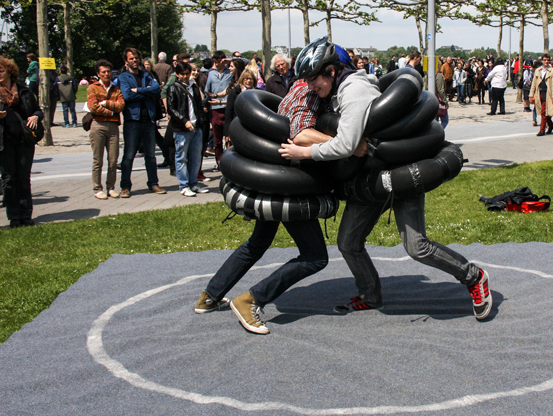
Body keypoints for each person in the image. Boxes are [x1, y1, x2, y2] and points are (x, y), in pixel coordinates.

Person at [279, 37, 492, 320]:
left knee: (417, 247)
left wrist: (303, 152)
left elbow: (345, 145)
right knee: (349, 243)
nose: (310, 85)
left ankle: (473, 276)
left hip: (400, 171)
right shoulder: (334, 91)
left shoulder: (353, 90)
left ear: (331, 71)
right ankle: (370, 294)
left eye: (313, 78)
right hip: (369, 178)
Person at [194, 78, 329, 335]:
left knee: (258, 242)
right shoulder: (311, 94)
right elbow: (299, 132)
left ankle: (210, 295)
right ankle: (250, 300)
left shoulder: (297, 88)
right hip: (291, 184)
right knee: (315, 257)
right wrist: (341, 140)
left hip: (274, 178)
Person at [0, 56, 43, 227]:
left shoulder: (24, 92)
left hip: (24, 141)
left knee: (23, 178)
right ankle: (14, 216)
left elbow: (38, 110)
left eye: (1, 71)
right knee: (9, 179)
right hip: (2, 142)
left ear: (10, 71)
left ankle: (26, 215)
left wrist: (36, 117)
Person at [114, 47, 165, 197]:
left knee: (150, 155)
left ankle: (153, 184)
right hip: (132, 120)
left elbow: (156, 89)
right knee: (129, 155)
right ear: (126, 61)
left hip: (148, 119)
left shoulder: (146, 75)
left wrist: (138, 90)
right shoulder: (123, 77)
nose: (135, 60)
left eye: (136, 58)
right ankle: (125, 186)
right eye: (131, 58)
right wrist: (145, 92)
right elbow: (127, 96)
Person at [167, 62, 209, 197]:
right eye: (182, 74)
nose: (185, 76)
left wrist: (201, 122)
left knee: (196, 158)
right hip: (182, 129)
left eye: (187, 73)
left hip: (196, 127)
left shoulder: (194, 87)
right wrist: (184, 121)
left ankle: (193, 183)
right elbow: (171, 108)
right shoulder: (173, 88)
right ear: (177, 74)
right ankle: (184, 185)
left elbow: (199, 106)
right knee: (181, 158)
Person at [86, 59, 125, 200]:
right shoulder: (92, 88)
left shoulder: (116, 88)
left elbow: (121, 105)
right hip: (98, 126)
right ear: (98, 74)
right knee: (98, 159)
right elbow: (93, 107)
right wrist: (111, 111)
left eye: (108, 71)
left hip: (113, 126)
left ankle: (111, 187)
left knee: (113, 159)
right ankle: (97, 188)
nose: (107, 74)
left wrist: (105, 103)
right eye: (103, 72)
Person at [205, 51, 232, 164]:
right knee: (217, 139)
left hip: (227, 107)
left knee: (229, 137)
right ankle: (219, 161)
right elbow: (207, 89)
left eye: (219, 61)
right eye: (215, 61)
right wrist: (206, 104)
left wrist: (229, 61)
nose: (217, 63)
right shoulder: (211, 73)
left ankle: (229, 160)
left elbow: (244, 64)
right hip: (215, 109)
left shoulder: (230, 72)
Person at [530, 54, 553, 135]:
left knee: (544, 112)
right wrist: (531, 94)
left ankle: (542, 130)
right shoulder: (538, 70)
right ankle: (551, 125)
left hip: (548, 93)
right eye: (544, 60)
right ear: (542, 60)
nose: (546, 61)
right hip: (539, 93)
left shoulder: (552, 71)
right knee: (543, 111)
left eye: (548, 60)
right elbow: (534, 83)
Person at [435, 65, 449, 129]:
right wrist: (445, 102)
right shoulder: (439, 75)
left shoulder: (428, 75)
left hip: (431, 100)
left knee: (435, 121)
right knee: (445, 120)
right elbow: (441, 90)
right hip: (439, 101)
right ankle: (438, 133)